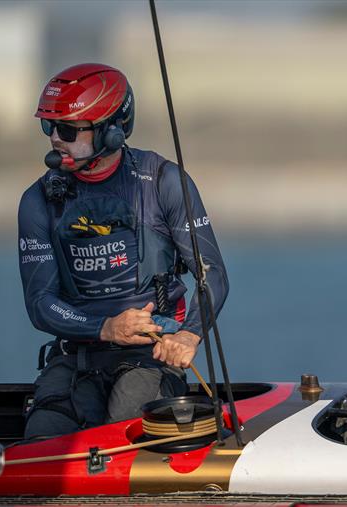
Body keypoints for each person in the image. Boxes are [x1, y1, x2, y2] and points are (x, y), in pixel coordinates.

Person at [18, 63, 228, 439]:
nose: (54, 139)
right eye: (48, 127)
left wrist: (189, 335)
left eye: (66, 129)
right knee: (43, 437)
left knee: (126, 427)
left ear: (111, 132)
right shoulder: (36, 201)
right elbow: (40, 302)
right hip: (75, 357)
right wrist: (105, 328)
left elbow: (211, 273)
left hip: (149, 357)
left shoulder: (165, 182)